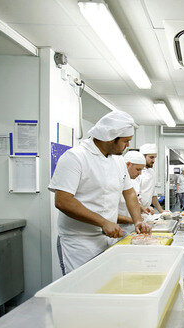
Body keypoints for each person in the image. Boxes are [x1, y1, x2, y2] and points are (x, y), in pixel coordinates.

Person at [49, 111, 151, 274]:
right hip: (79, 242)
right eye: (125, 141)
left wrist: (137, 220)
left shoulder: (117, 161)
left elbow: (129, 193)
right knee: (81, 288)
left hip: (108, 238)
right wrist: (103, 222)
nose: (127, 146)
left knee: (106, 284)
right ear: (111, 137)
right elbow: (63, 201)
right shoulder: (75, 157)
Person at [117, 150, 147, 233]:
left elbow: (134, 199)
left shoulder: (132, 180)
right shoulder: (115, 180)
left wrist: (140, 212)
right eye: (138, 169)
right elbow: (108, 213)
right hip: (118, 229)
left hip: (131, 227)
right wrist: (134, 220)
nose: (140, 173)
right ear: (128, 165)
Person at [138, 143, 165, 213]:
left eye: (155, 157)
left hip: (146, 210)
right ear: (143, 156)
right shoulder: (136, 172)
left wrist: (161, 210)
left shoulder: (151, 172)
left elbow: (153, 194)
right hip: (136, 210)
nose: (154, 161)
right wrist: (143, 208)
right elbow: (134, 196)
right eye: (151, 157)